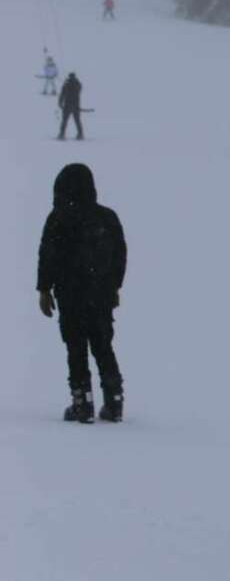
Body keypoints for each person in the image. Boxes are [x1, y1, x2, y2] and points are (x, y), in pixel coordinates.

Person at [37, 164, 127, 424]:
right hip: (101, 294)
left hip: (70, 294)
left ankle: (82, 402)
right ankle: (114, 400)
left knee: (75, 347)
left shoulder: (58, 218)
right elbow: (119, 255)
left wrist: (44, 288)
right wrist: (115, 286)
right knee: (103, 344)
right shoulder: (107, 217)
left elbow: (47, 255)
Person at [58, 73, 84, 141]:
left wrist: (60, 103)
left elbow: (62, 94)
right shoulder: (78, 84)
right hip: (76, 105)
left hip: (67, 105)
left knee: (64, 121)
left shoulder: (66, 85)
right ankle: (80, 134)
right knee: (77, 121)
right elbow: (79, 89)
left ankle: (62, 134)